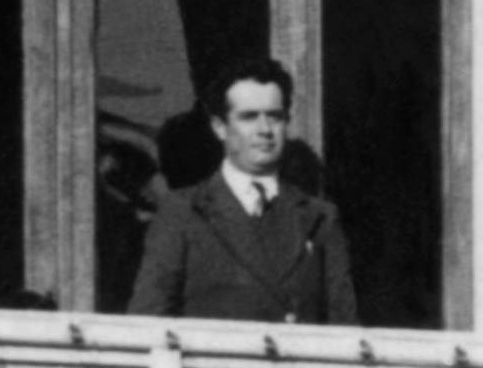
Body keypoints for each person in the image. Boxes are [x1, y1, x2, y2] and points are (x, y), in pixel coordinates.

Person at [126, 59, 356, 325]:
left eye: (275, 116)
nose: (265, 130)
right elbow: (147, 324)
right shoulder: (182, 213)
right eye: (249, 117)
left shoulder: (320, 218)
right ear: (220, 127)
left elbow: (344, 330)